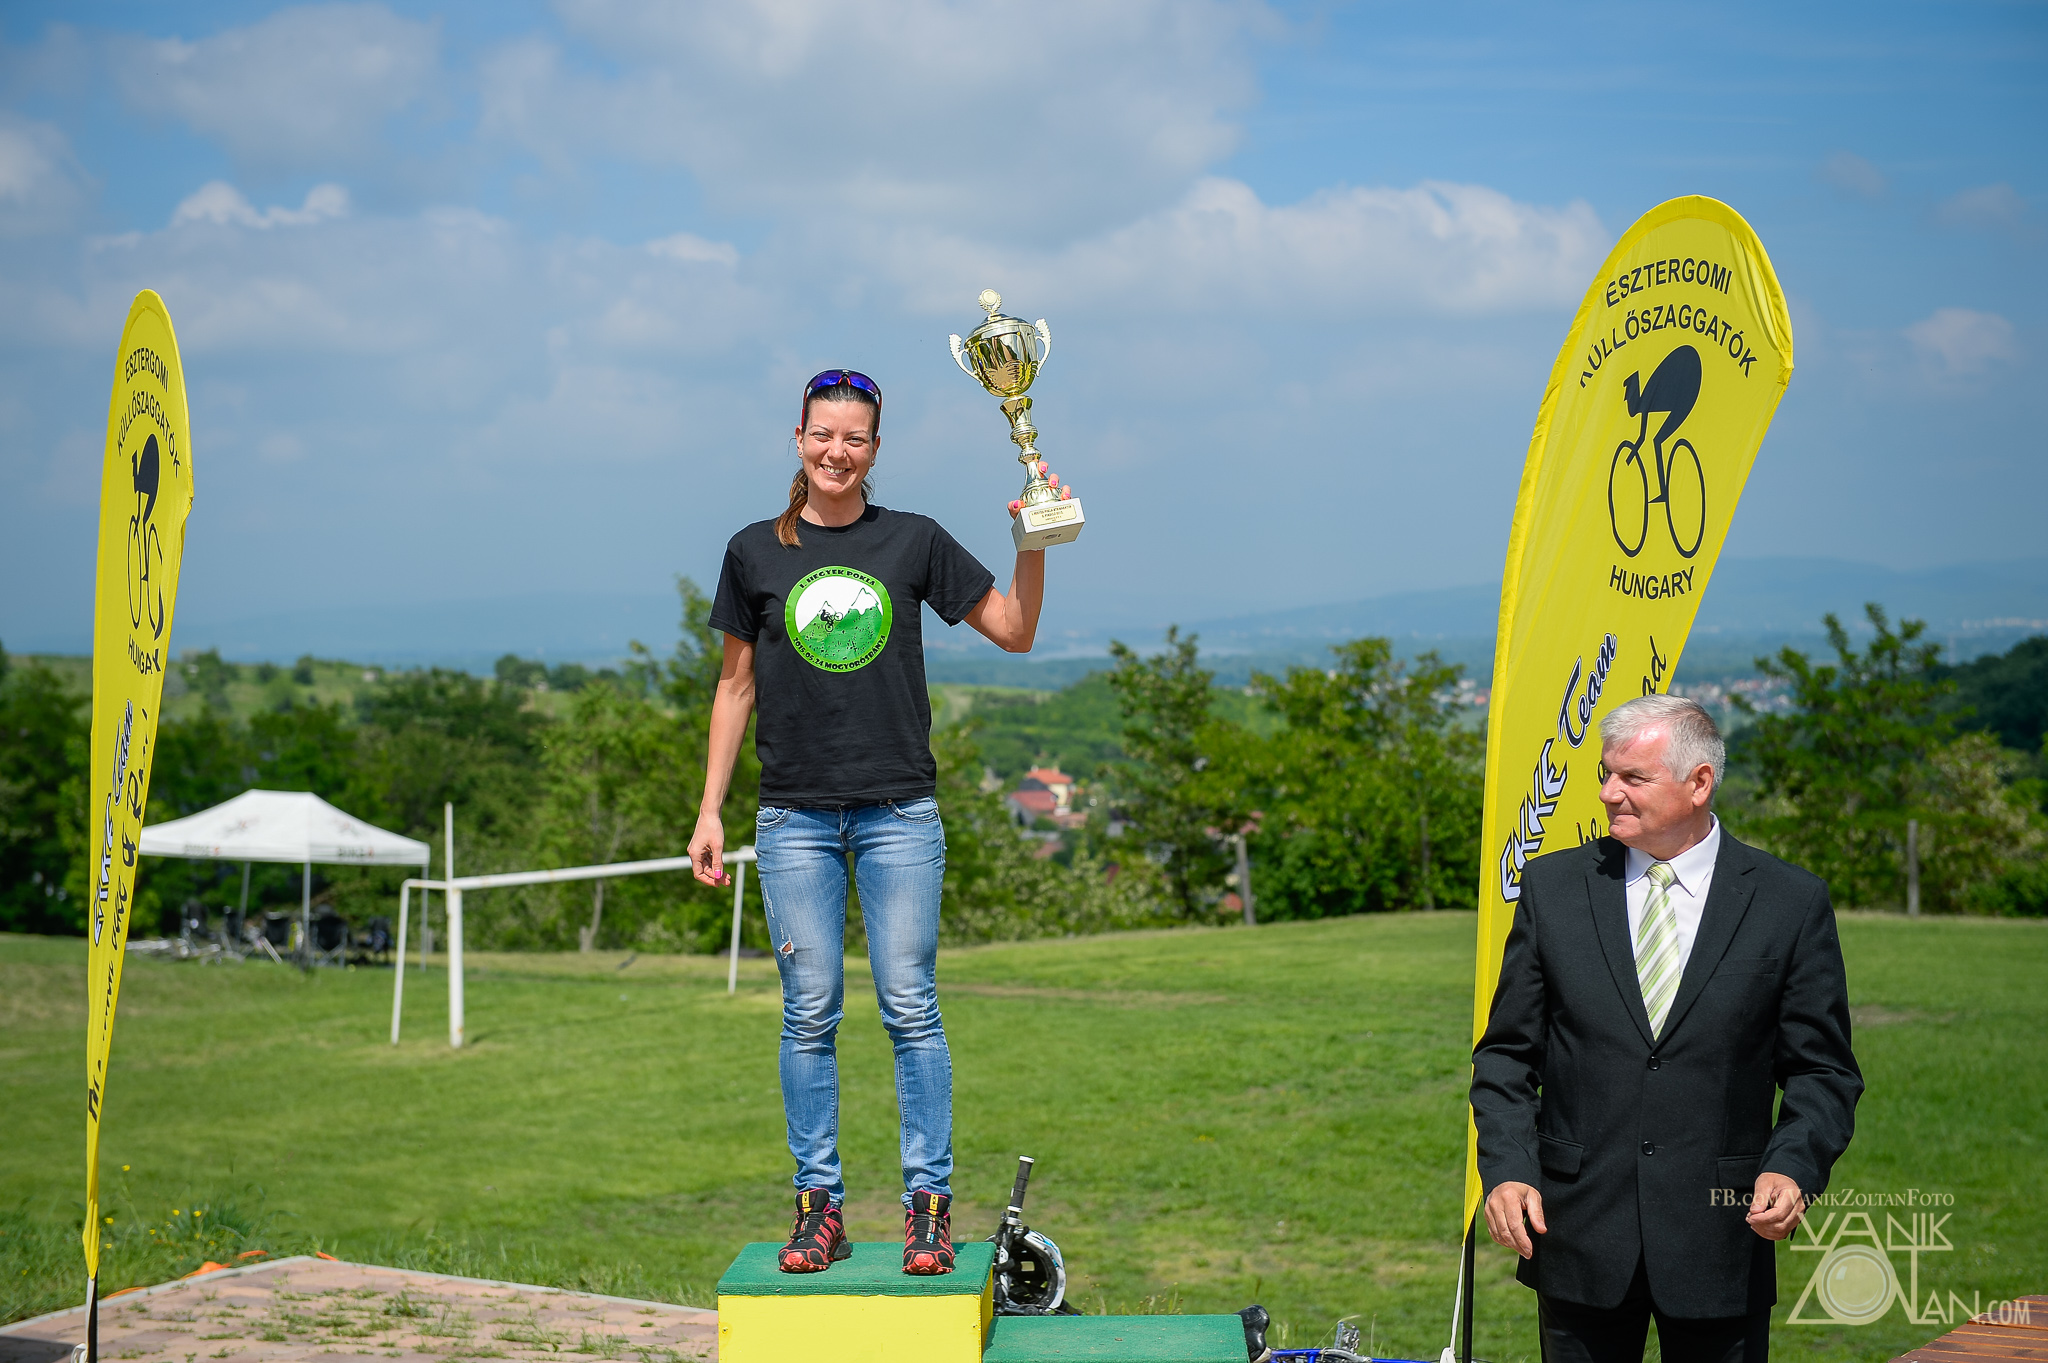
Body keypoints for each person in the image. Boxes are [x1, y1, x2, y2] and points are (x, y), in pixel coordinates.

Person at [688, 368, 1067, 1276]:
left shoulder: (914, 539)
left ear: (875, 448)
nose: (837, 451)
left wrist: (1033, 539)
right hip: (793, 818)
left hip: (899, 811)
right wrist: (709, 809)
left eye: (854, 437)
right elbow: (734, 687)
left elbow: (1015, 629)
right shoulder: (752, 551)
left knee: (911, 1008)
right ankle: (817, 1210)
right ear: (799, 438)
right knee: (808, 1015)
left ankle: (927, 1211)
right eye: (823, 434)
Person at [1471, 693, 1862, 1363]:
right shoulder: (1552, 888)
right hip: (1577, 1238)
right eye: (1606, 773)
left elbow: (1822, 1071)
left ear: (1699, 782)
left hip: (1722, 1241)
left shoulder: (1789, 902)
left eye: (1632, 777)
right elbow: (1506, 1056)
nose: (1607, 792)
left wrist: (1793, 1167)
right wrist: (1508, 1170)